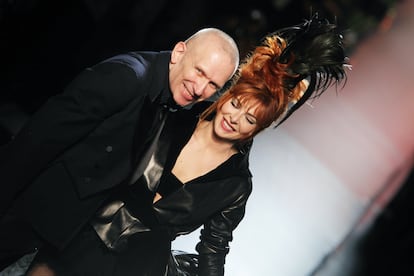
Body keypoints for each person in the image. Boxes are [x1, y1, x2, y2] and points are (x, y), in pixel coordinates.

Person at [16, 16, 347, 276]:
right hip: (80, 236)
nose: (235, 118)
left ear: (258, 129)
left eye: (250, 119)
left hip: (134, 269)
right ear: (228, 94)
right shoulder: (173, 113)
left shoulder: (235, 186)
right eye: (237, 104)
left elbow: (213, 252)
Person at [0, 27, 240, 272]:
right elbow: (37, 141)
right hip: (21, 212)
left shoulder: (171, 102)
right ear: (179, 52)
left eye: (213, 84)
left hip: (49, 224)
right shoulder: (127, 77)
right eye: (199, 71)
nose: (200, 89)